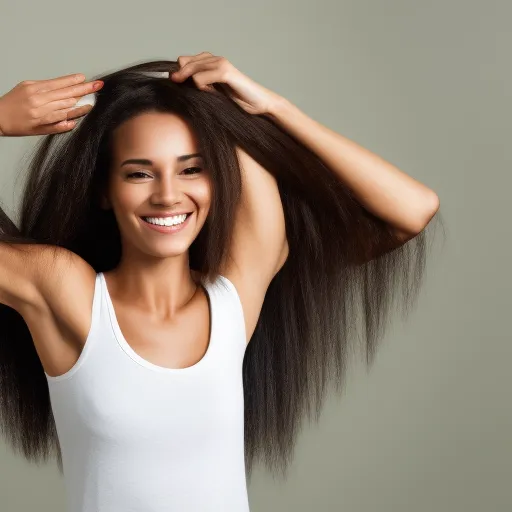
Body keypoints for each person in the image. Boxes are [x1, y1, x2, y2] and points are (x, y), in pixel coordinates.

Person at [0, 52, 443, 511]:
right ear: (104, 191)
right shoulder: (65, 293)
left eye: (192, 169)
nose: (168, 194)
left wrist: (272, 107)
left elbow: (412, 209)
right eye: (139, 173)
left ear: (218, 181)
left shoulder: (234, 299)